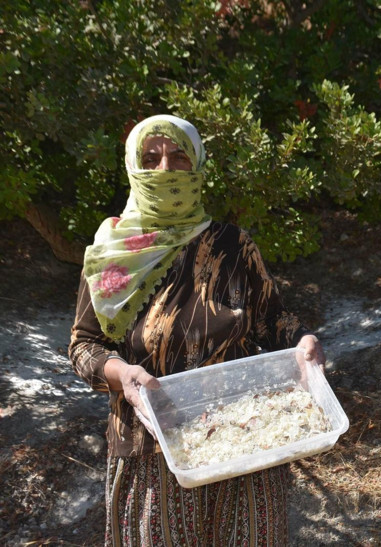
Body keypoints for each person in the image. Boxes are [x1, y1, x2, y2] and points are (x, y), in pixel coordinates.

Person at [69, 114, 325, 545]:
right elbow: (84, 344)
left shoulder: (232, 246)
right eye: (150, 159)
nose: (165, 170)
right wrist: (125, 376)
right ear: (134, 168)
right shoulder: (112, 253)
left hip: (244, 437)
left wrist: (303, 343)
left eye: (178, 157)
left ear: (198, 166)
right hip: (153, 445)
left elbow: (274, 321)